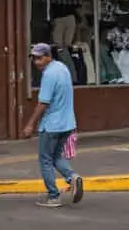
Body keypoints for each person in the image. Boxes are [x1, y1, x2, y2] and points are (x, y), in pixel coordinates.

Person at [24, 43, 84, 208]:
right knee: (56, 156)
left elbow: (43, 103)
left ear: (48, 56)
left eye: (40, 58)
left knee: (45, 160)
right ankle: (73, 177)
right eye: (34, 58)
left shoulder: (49, 74)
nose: (37, 62)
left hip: (52, 125)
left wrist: (30, 124)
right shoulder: (62, 68)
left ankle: (53, 196)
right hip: (67, 123)